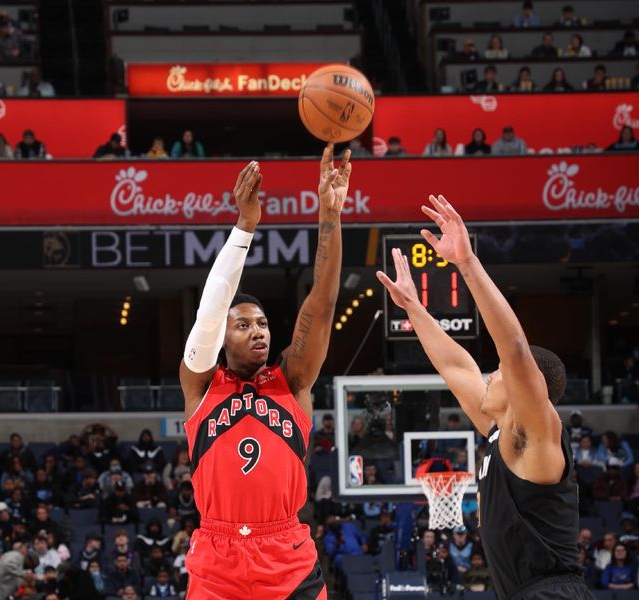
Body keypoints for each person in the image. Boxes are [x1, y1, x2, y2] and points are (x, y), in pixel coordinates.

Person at [377, 194, 592, 600]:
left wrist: (467, 264)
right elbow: (456, 368)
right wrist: (412, 308)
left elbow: (513, 346)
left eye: (498, 373)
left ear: (527, 387)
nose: (489, 376)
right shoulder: (502, 432)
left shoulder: (537, 434)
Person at [179, 146, 352, 598]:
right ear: (224, 337)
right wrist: (245, 226)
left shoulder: (292, 380)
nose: (258, 332)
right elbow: (209, 314)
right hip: (216, 560)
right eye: (243, 325)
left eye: (262, 323)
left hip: (286, 555)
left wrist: (329, 217)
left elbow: (323, 301)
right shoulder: (199, 383)